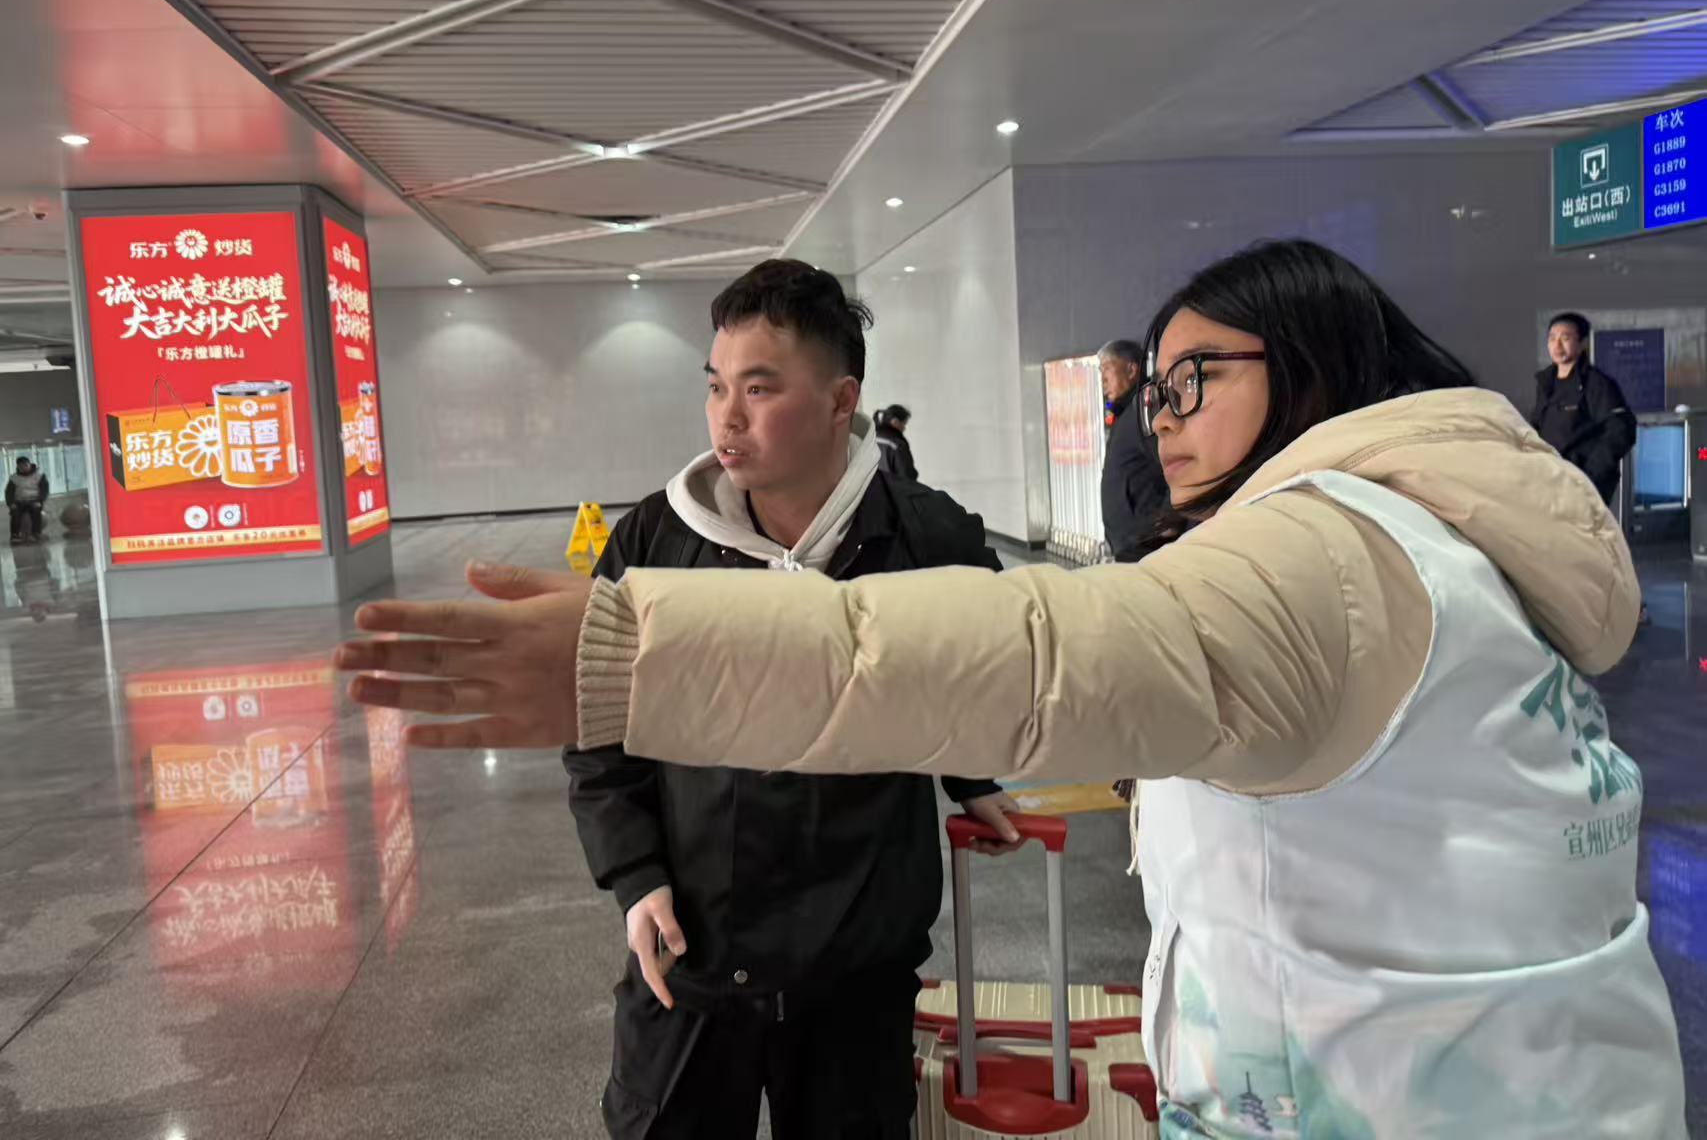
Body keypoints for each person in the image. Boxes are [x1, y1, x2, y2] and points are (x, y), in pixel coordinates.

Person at [339, 240, 1686, 1138]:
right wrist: (636, 872)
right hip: (704, 949)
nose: (1159, 416)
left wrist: (636, 656)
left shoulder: (1324, 556)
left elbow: (1017, 655)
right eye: (1154, 386)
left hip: (1395, 1093)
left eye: (1193, 379)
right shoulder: (1435, 544)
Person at [564, 259, 1018, 1138]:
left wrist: (971, 777)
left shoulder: (924, 536)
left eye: (759, 388)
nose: (726, 417)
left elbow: (982, 669)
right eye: (716, 386)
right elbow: (596, 725)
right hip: (693, 953)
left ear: (842, 400)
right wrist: (635, 875)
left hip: (855, 963)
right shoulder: (656, 539)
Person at [1529, 311, 1636, 504]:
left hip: (1583, 486)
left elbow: (1621, 431)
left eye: (1565, 338)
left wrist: (1589, 474)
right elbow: (1536, 428)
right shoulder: (1546, 384)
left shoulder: (1597, 384)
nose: (1557, 345)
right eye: (1552, 338)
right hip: (1550, 481)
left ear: (1582, 343)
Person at [1098, 338, 1169, 562]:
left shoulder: (1145, 409)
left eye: (1107, 368)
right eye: (1101, 371)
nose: (1103, 379)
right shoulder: (1126, 413)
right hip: (1130, 544)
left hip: (1146, 546)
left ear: (1131, 370)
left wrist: (1167, 518)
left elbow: (1171, 462)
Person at [7, 456, 48, 544]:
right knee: (15, 512)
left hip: (34, 500)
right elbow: (9, 492)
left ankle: (36, 534)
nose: (24, 468)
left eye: (25, 465)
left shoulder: (39, 476)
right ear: (18, 467)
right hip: (19, 501)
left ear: (29, 464)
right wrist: (11, 503)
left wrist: (40, 501)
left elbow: (44, 490)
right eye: (21, 466)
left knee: (36, 510)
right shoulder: (14, 478)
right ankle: (15, 535)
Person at [872, 404, 918, 481]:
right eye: (903, 423)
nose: (904, 428)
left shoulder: (872, 439)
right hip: (895, 487)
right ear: (895, 422)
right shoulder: (896, 445)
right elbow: (907, 476)